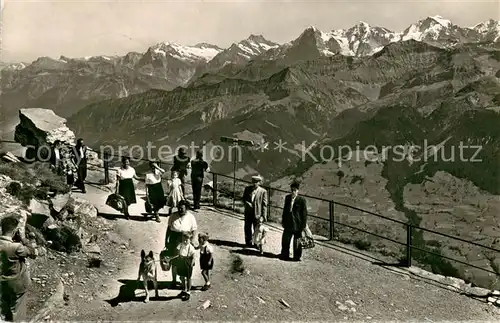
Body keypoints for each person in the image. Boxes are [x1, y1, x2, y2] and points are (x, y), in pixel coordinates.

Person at [0, 216, 38, 322]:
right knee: (17, 314)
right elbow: (33, 253)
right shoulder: (16, 247)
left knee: (4, 311)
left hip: (2, 284)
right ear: (15, 231)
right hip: (17, 285)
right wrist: (24, 239)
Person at [164, 200, 197, 291]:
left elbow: (194, 230)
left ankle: (186, 281)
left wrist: (192, 240)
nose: (180, 210)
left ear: (186, 208)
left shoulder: (191, 217)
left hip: (186, 239)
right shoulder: (173, 216)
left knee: (186, 261)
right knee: (174, 260)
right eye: (179, 208)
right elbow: (169, 229)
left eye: (182, 208)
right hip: (174, 240)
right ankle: (174, 281)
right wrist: (166, 241)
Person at [280, 180, 308, 261]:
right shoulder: (287, 198)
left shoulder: (301, 200)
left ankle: (297, 257)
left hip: (297, 224)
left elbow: (304, 214)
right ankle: (284, 255)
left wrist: (303, 226)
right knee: (285, 240)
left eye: (295, 190)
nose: (293, 192)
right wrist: (283, 221)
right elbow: (285, 210)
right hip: (288, 223)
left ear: (298, 191)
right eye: (292, 190)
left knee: (297, 242)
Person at [242, 175, 268, 248]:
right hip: (248, 212)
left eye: (256, 182)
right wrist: (247, 203)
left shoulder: (263, 191)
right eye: (253, 182)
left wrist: (263, 216)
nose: (254, 183)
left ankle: (257, 243)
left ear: (259, 183)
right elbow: (243, 199)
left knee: (257, 229)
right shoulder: (247, 189)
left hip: (258, 214)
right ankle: (248, 242)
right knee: (247, 228)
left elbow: (264, 205)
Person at [173, 232, 196, 301]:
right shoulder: (180, 245)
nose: (185, 241)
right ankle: (184, 289)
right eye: (184, 239)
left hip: (187, 262)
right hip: (181, 262)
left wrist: (192, 263)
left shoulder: (191, 247)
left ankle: (188, 292)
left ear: (190, 240)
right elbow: (177, 253)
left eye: (187, 240)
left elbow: (194, 256)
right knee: (181, 276)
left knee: (188, 277)